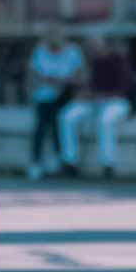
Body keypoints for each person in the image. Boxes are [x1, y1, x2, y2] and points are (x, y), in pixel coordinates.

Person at [57, 37, 136, 180]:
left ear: (105, 46)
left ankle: (108, 164)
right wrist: (84, 93)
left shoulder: (119, 61)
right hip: (94, 102)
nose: (91, 51)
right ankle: (70, 161)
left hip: (117, 102)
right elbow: (90, 86)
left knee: (105, 120)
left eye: (94, 48)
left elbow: (125, 89)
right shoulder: (93, 62)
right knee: (67, 116)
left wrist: (96, 95)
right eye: (89, 48)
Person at [26, 27, 86, 180]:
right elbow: (33, 76)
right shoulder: (40, 52)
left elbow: (79, 77)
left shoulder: (73, 52)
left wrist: (58, 80)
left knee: (54, 118)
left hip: (65, 96)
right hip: (43, 97)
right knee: (42, 122)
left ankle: (54, 161)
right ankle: (41, 161)